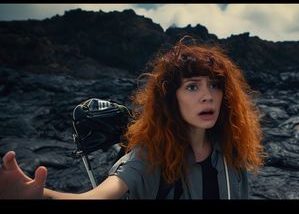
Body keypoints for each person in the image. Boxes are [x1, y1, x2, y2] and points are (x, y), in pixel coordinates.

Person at [0, 36, 265, 199]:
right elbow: (99, 196)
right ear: (171, 98)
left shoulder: (230, 151)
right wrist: (38, 195)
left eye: (215, 85)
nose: (208, 96)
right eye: (192, 86)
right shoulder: (150, 156)